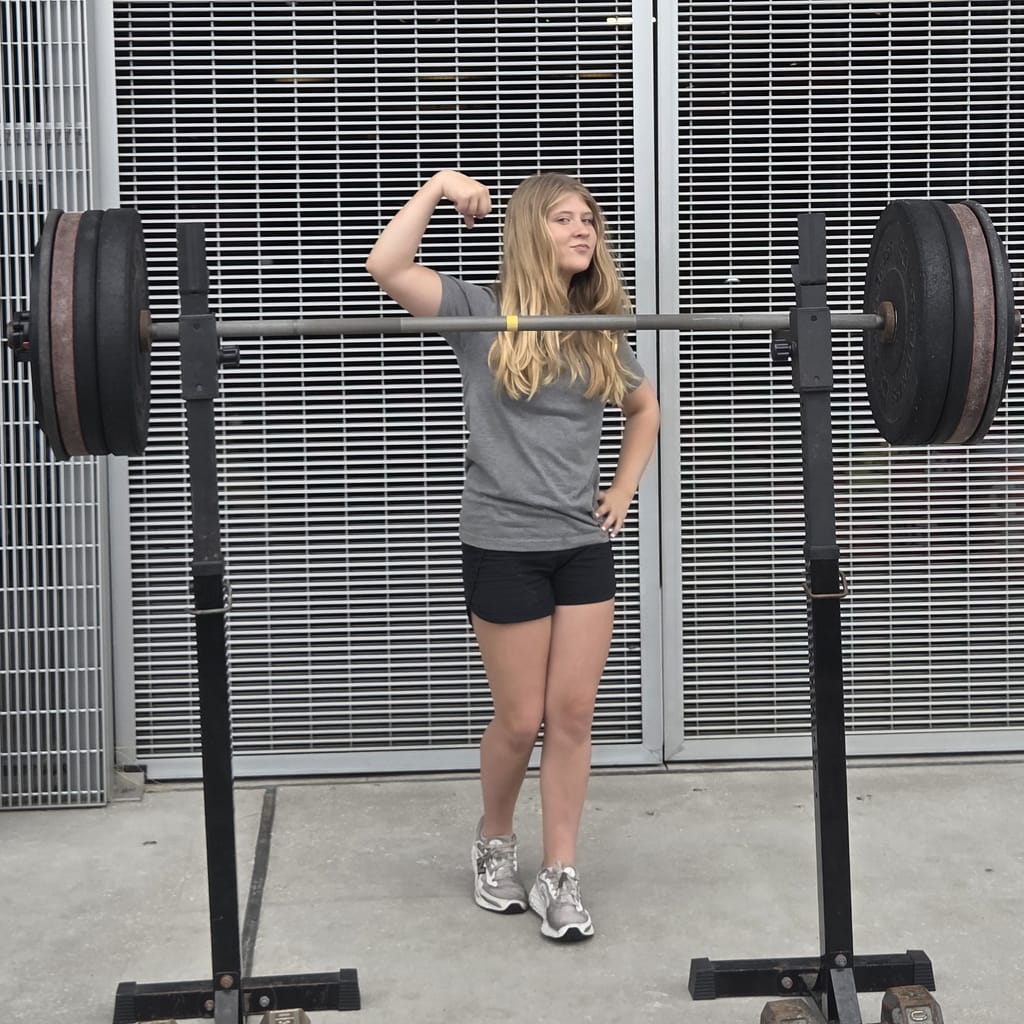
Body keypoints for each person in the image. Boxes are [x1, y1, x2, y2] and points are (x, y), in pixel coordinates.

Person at [366, 169, 660, 942]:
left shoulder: (601, 325)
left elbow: (645, 408)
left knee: (574, 714)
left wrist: (622, 491)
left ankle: (559, 874)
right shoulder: (477, 310)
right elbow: (386, 268)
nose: (582, 230)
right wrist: (435, 190)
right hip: (502, 543)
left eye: (588, 219)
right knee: (520, 717)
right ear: (532, 231)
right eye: (564, 219)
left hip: (579, 544)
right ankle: (495, 839)